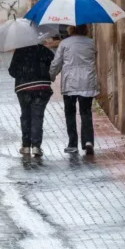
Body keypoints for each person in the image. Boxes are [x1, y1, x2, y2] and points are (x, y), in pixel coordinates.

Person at [49, 24, 99, 154]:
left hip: (70, 83)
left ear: (70, 29)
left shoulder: (65, 43)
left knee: (70, 113)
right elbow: (94, 57)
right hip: (87, 82)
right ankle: (88, 141)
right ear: (85, 29)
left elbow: (57, 62)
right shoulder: (91, 43)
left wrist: (51, 75)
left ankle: (72, 143)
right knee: (86, 112)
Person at [8, 40, 55, 157]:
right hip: (41, 87)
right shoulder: (44, 51)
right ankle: (36, 146)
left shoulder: (19, 51)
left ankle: (25, 146)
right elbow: (54, 64)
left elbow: (12, 71)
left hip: (23, 88)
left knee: (26, 115)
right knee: (37, 116)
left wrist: (23, 73)